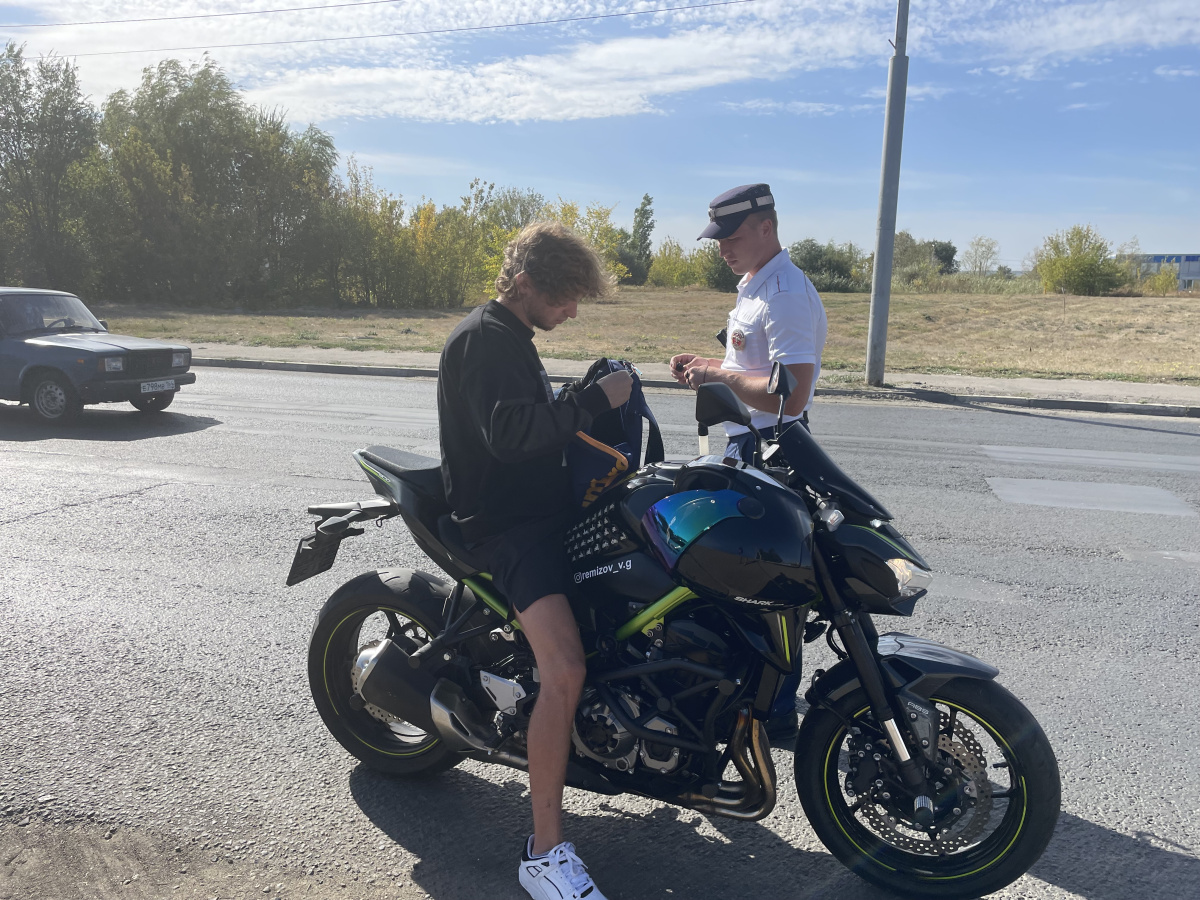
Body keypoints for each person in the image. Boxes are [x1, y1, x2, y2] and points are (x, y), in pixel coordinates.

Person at [438, 221, 631, 900]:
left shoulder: (512, 336)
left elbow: (527, 412)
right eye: (564, 298)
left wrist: (583, 394)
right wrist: (591, 401)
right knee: (566, 669)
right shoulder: (483, 340)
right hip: (508, 526)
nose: (572, 310)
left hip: (544, 508)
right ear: (524, 285)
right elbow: (512, 433)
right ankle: (544, 853)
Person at [668, 183, 827, 742]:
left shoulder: (783, 293)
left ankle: (771, 713)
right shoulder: (759, 285)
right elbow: (758, 371)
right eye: (718, 239)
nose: (722, 249)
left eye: (732, 237)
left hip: (771, 448)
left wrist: (716, 375)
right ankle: (752, 701)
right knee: (748, 580)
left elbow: (792, 394)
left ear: (767, 226)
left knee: (769, 586)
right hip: (751, 446)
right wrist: (710, 366)